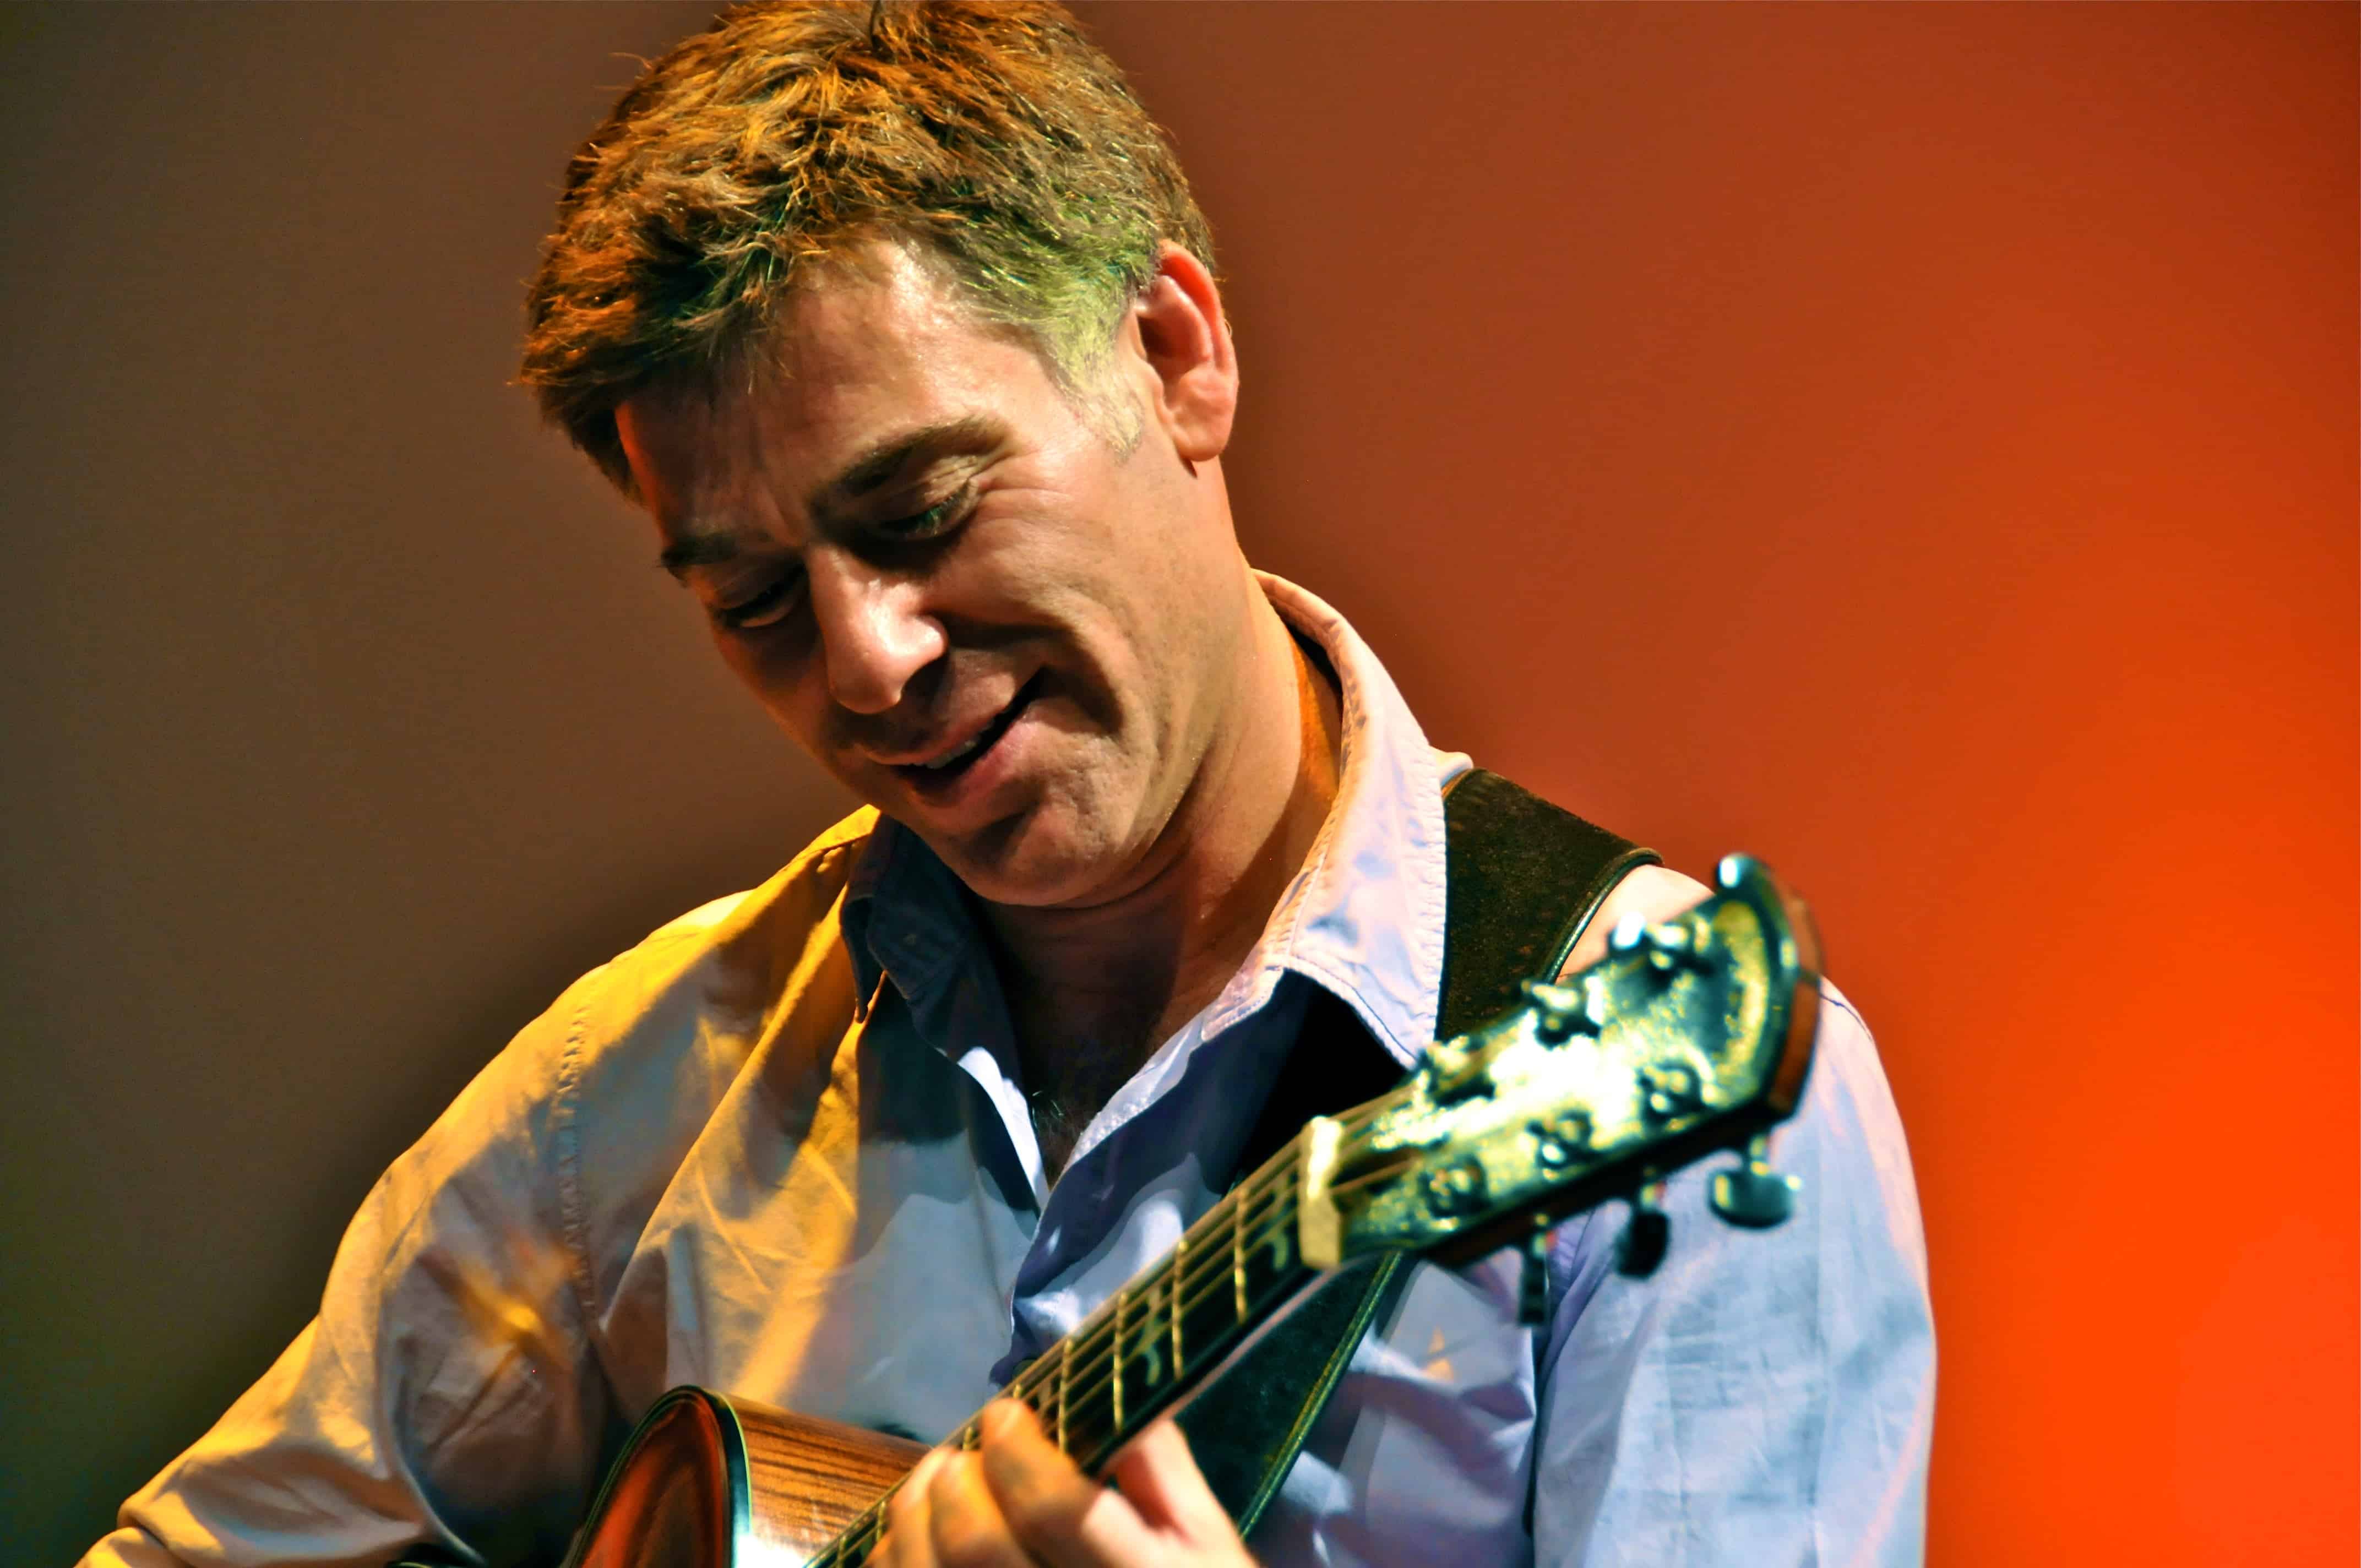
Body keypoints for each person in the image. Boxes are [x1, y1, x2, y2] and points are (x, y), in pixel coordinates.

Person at [80, 4, 1934, 1565]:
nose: (866, 663)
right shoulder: (625, 1109)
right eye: (753, 598)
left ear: (1175, 359)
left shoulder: (1687, 1107)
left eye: (920, 510)